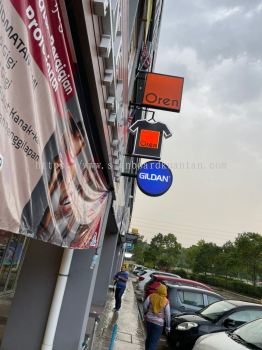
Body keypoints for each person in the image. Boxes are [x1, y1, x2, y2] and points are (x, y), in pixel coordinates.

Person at [143, 284, 171, 350]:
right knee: (153, 342)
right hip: (158, 324)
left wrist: (145, 314)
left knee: (148, 338)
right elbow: (167, 315)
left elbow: (144, 306)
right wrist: (168, 326)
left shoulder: (151, 296)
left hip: (149, 320)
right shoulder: (166, 301)